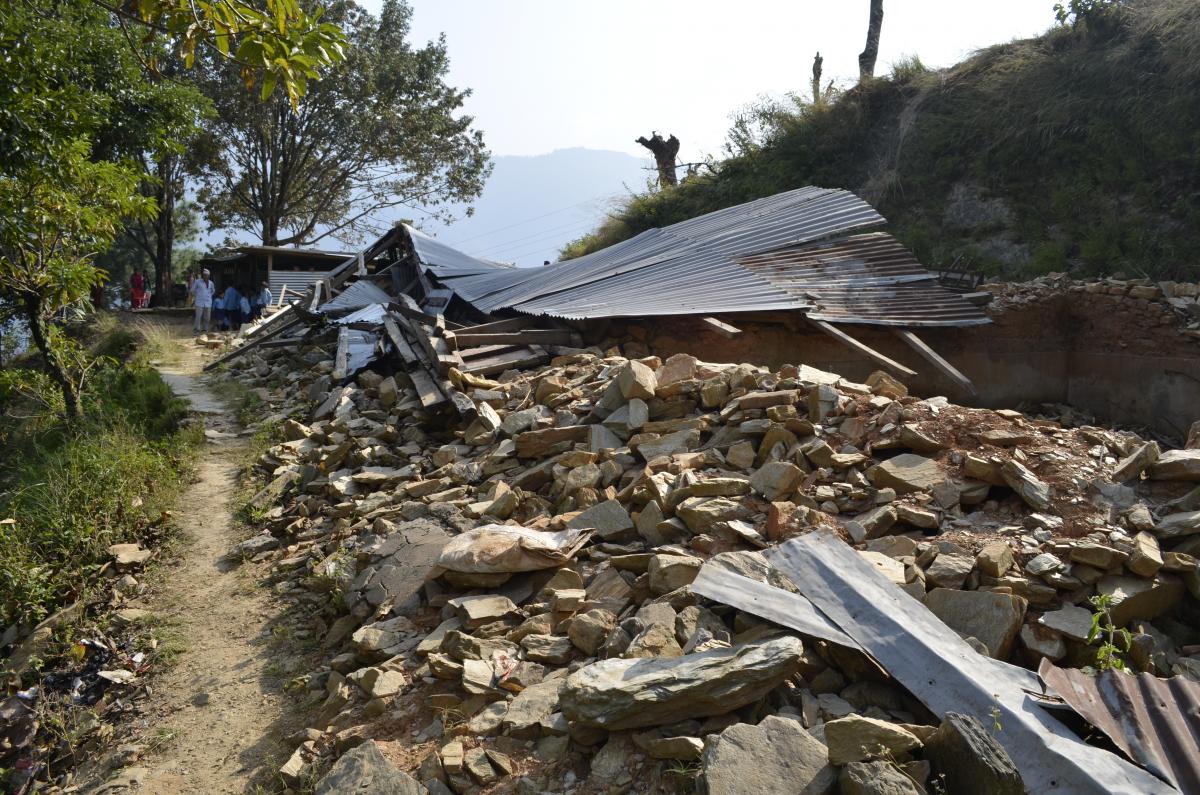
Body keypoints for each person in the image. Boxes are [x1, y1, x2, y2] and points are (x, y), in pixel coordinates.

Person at [190, 269, 215, 334]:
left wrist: (209, 296)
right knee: (198, 317)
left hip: (208, 303)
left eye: (207, 275)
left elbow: (213, 291)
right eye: (204, 275)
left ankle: (205, 330)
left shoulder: (211, 283)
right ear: (202, 275)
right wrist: (197, 295)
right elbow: (192, 290)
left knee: (207, 317)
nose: (205, 276)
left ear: (209, 276)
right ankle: (196, 330)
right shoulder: (198, 282)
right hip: (199, 303)